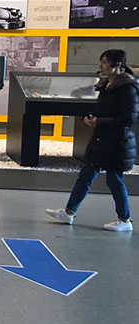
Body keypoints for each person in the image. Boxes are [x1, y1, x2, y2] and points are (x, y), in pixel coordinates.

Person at [47, 49, 139, 231]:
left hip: (117, 143)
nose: (101, 66)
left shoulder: (127, 88)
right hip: (102, 140)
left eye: (104, 62)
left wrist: (100, 121)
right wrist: (92, 117)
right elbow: (105, 109)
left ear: (117, 65)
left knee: (114, 180)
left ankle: (124, 219)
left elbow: (128, 118)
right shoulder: (107, 85)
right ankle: (69, 212)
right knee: (86, 175)